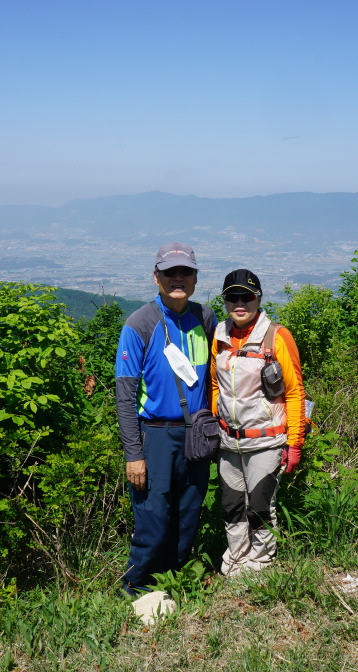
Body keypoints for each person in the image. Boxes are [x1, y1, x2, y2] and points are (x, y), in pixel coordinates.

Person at [115, 242, 217, 595]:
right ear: (155, 277)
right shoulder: (139, 324)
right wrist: (134, 454)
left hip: (197, 433)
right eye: (170, 272)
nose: (178, 278)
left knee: (188, 514)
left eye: (186, 272)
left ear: (195, 278)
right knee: (154, 517)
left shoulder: (205, 318)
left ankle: (175, 583)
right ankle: (136, 587)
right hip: (155, 435)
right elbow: (125, 396)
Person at [210, 269, 305, 576]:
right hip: (229, 441)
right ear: (225, 301)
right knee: (232, 506)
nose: (240, 303)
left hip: (266, 440)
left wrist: (295, 443)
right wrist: (215, 421)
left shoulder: (277, 336)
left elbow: (294, 392)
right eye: (232, 297)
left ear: (259, 298)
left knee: (260, 506)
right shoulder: (219, 336)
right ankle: (235, 563)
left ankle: (260, 566)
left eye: (247, 296)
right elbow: (215, 385)